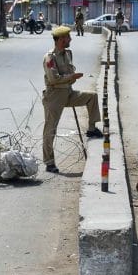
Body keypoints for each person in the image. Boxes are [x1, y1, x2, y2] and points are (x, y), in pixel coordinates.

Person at [42, 26, 103, 173]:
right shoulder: (50, 57)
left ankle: (91, 128)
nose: (70, 39)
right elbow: (54, 79)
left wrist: (71, 78)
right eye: (68, 37)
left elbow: (70, 72)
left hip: (68, 93)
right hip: (54, 96)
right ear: (61, 39)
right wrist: (71, 77)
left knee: (91, 97)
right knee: (50, 130)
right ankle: (49, 162)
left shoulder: (68, 53)